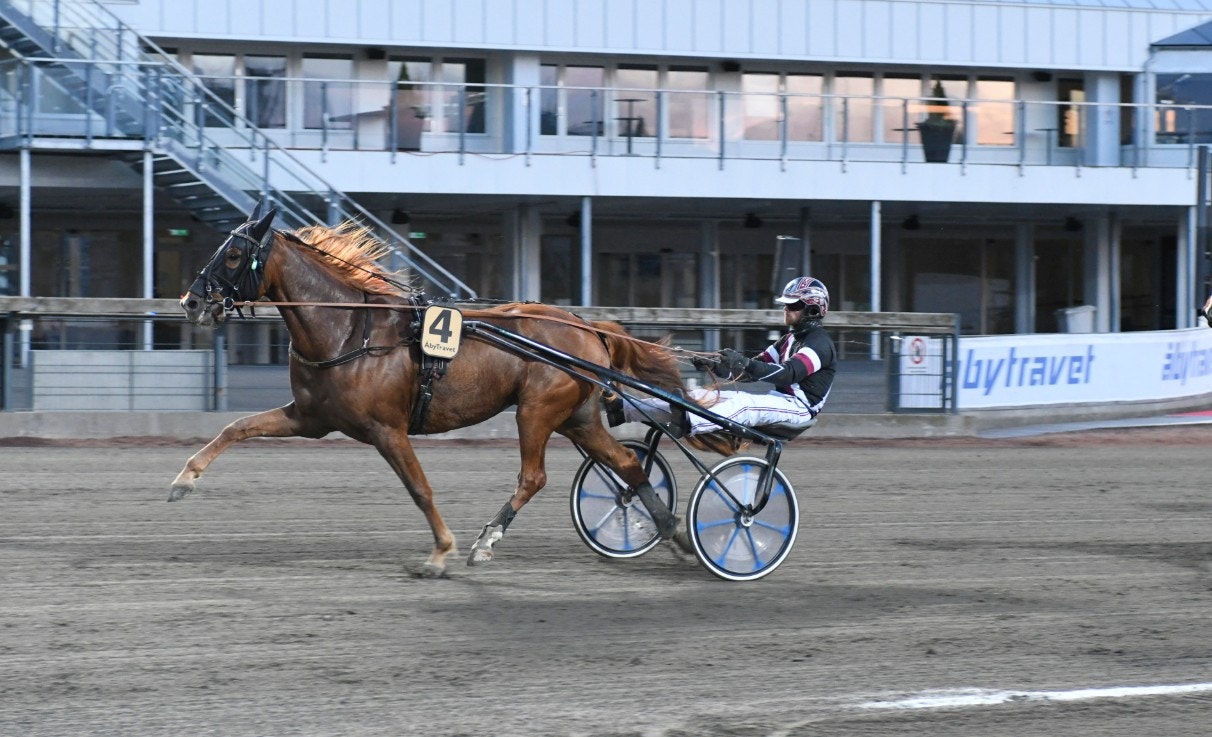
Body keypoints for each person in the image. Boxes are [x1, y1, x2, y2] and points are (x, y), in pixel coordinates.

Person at [606, 275, 837, 439]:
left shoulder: (820, 344)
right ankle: (623, 408)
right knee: (700, 396)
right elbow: (750, 372)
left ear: (813, 309)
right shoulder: (789, 339)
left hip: (799, 408)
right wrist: (716, 366)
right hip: (777, 401)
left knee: (744, 404)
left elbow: (788, 374)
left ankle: (690, 422)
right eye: (786, 305)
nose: (786, 309)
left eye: (793, 305)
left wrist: (744, 363)